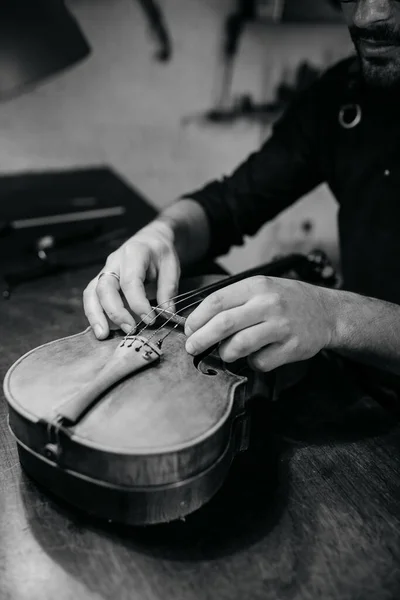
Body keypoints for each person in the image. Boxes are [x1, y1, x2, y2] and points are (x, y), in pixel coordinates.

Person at [83, 0, 400, 423]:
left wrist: (333, 315)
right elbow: (231, 203)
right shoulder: (343, 95)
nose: (367, 16)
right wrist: (160, 235)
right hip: (359, 388)